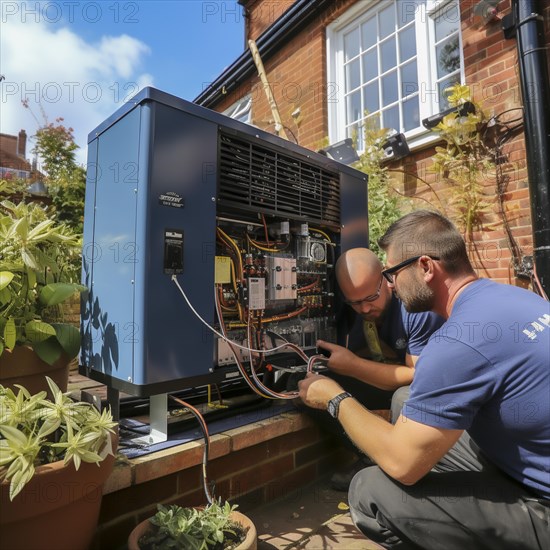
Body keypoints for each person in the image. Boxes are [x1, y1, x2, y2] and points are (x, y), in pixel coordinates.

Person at [298, 210, 550, 549]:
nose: (390, 284)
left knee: (371, 490)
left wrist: (334, 397)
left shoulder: (458, 341)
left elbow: (403, 465)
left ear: (427, 267)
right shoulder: (516, 297)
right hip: (530, 456)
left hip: (542, 502)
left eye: (392, 274)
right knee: (406, 404)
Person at [315, 248, 445, 489]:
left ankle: (406, 461)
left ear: (387, 279)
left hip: (427, 393)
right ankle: (371, 457)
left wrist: (353, 366)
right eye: (355, 302)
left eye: (370, 298)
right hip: (388, 379)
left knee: (402, 397)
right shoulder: (353, 311)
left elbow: (419, 376)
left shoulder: (414, 307)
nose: (364, 309)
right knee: (310, 387)